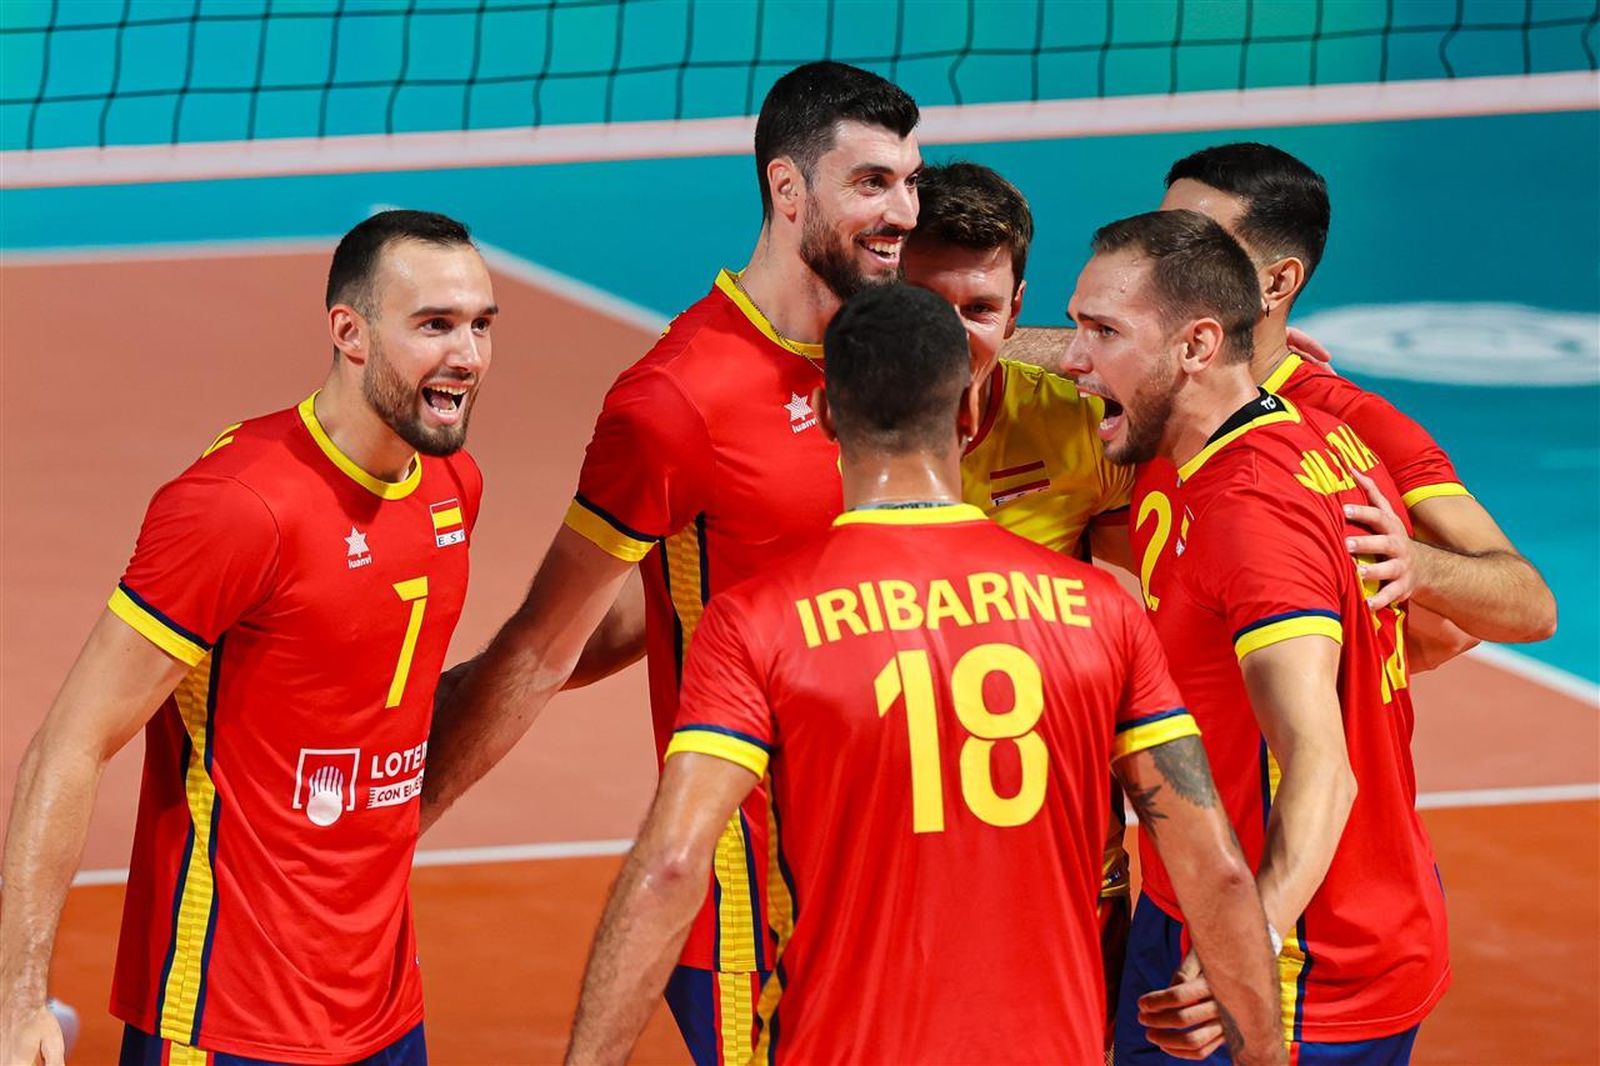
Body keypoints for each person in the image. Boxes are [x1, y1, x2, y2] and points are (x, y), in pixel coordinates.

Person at [565, 282, 1286, 1066]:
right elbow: (1213, 869)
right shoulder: (1098, 611)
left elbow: (672, 866)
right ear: (970, 417)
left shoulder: (755, 622)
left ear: (831, 420)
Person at [420, 61, 921, 1065]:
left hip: (910, 870)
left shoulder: (906, 356)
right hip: (758, 905)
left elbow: (1020, 348)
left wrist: (1267, 382)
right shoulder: (678, 399)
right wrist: (389, 820)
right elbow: (546, 643)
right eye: (872, 182)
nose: (903, 211)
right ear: (787, 190)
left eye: (912, 180)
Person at [0, 209, 496, 1065]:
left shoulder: (454, 482)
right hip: (225, 1016)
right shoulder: (238, 506)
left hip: (384, 1011)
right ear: (349, 331)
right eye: (435, 326)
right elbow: (69, 746)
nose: (469, 356)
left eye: (482, 325)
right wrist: (16, 1001)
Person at [1063, 210, 1450, 1063]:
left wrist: (1251, 939)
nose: (1074, 358)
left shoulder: (1251, 512)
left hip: (1299, 952)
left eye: (1101, 331)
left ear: (1198, 346)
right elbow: (1437, 637)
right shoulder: (1267, 436)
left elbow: (1323, 769)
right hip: (1204, 891)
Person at [1151, 142, 1556, 650]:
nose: (1158, 264)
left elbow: (1529, 607)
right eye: (1160, 237)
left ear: (1276, 283)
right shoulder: (1144, 398)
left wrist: (1416, 564)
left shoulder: (1351, 421)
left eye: (1196, 248)